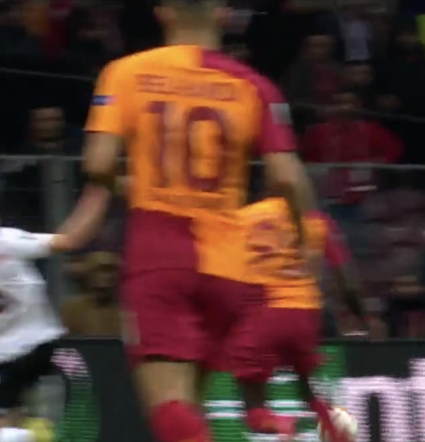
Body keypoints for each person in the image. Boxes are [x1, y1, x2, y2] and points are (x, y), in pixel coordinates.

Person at [59, 2, 317, 442]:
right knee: (189, 411)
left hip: (160, 255)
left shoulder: (126, 72)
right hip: (229, 266)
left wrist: (135, 187)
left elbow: (97, 164)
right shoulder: (256, 85)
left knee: (171, 412)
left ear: (162, 12)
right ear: (222, 14)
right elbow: (287, 179)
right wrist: (306, 246)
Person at [216, 198, 367, 442]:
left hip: (264, 313)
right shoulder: (317, 221)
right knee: (307, 389)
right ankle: (337, 432)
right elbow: (347, 280)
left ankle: (282, 426)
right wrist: (364, 318)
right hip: (305, 316)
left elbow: (223, 276)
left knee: (253, 404)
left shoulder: (243, 219)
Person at [0, 190, 83, 442]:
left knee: (0, 428)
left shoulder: (1, 241)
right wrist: (99, 190)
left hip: (0, 354)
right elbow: (67, 241)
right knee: (8, 423)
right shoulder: (5, 240)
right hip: (40, 344)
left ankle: (26, 433)